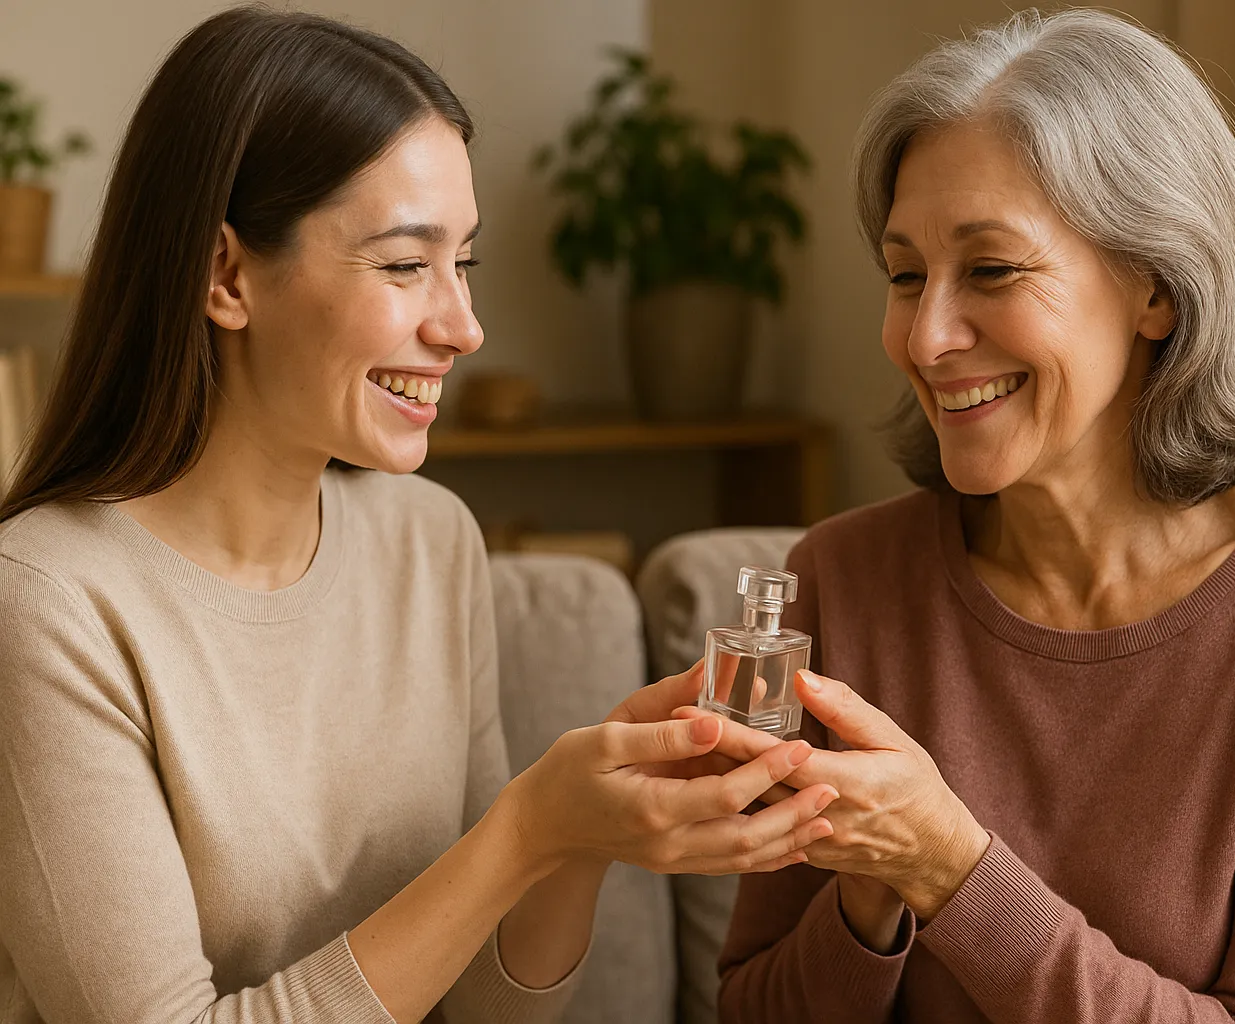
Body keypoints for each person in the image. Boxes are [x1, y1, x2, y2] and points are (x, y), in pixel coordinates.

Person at [0, 9, 837, 1024]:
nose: (462, 325)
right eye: (405, 265)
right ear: (227, 276)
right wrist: (524, 829)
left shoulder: (429, 540)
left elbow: (491, 1011)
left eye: (464, 263)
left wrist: (576, 837)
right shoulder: (44, 599)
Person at [713, 9, 1235, 1024]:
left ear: (1155, 283)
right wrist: (871, 884)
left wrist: (952, 869)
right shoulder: (844, 578)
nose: (926, 337)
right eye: (905, 274)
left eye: (993, 269)